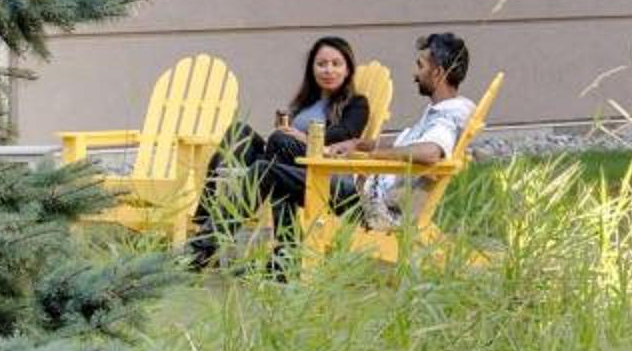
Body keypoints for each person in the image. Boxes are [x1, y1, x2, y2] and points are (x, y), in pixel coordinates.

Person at [190, 35, 373, 264]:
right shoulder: (305, 102)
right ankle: (205, 218)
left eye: (336, 64)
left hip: (322, 172)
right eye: (321, 64)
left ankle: (275, 248)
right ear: (312, 68)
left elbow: (345, 134)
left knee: (278, 142)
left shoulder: (357, 103)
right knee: (239, 131)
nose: (328, 70)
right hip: (286, 164)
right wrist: (285, 133)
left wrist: (304, 138)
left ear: (348, 70)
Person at [331, 31, 475, 227]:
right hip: (368, 191)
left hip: (377, 208)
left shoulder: (447, 118)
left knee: (296, 176)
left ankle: (294, 245)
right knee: (293, 164)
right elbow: (402, 143)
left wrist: (375, 157)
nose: (415, 75)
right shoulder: (439, 111)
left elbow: (431, 152)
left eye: (421, 66)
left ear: (437, 73)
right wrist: (358, 144)